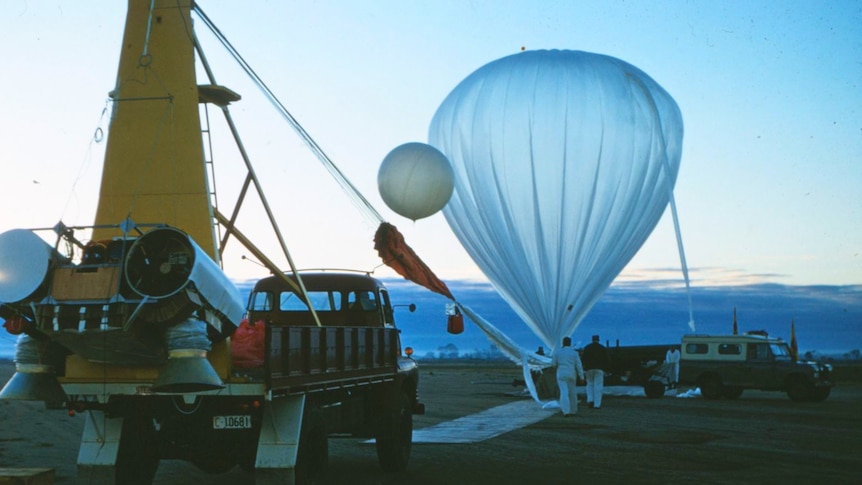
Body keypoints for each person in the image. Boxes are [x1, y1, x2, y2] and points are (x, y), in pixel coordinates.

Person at [551, 337, 584, 416]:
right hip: (572, 371)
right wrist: (581, 376)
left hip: (561, 371)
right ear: (570, 343)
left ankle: (566, 411)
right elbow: (579, 365)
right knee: (572, 392)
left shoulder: (557, 352)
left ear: (563, 343)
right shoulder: (574, 353)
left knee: (564, 392)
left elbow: (553, 364)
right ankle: (573, 410)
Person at [582, 335, 610, 409]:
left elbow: (583, 358)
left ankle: (590, 400)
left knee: (589, 385)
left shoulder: (587, 348)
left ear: (592, 340)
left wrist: (584, 368)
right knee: (598, 386)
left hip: (589, 369)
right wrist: (606, 369)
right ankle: (597, 404)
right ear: (598, 340)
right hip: (599, 369)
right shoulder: (602, 348)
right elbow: (606, 359)